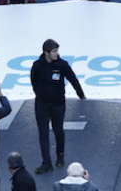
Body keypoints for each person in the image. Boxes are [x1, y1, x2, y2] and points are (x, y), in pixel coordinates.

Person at [31, 38, 86, 174]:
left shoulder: (62, 65)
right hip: (42, 103)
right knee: (43, 133)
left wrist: (81, 95)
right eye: (54, 51)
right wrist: (40, 94)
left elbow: (73, 79)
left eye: (57, 51)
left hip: (58, 103)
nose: (57, 54)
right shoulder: (37, 65)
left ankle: (60, 155)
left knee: (58, 130)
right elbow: (34, 81)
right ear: (46, 53)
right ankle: (46, 162)